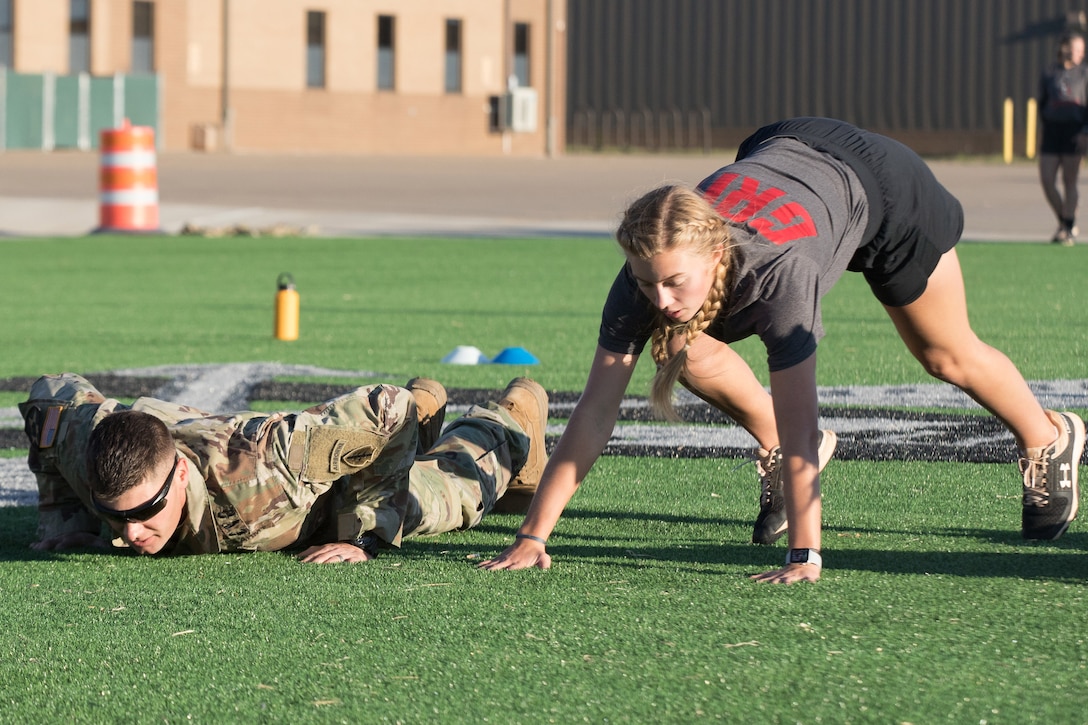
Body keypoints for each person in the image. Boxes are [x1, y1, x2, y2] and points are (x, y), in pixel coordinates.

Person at [480, 117, 1085, 583]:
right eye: (646, 281)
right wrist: (535, 536)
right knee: (681, 346)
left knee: (944, 355)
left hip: (884, 186)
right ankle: (765, 444)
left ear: (715, 256)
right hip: (787, 149)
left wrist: (806, 552)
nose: (658, 298)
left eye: (673, 283)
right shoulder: (644, 281)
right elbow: (594, 410)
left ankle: (1048, 436)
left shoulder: (782, 279)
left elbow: (802, 421)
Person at [19, 372, 548, 561]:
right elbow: (50, 397)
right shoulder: (87, 445)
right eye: (117, 516)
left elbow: (384, 406)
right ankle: (423, 414)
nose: (132, 532)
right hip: (185, 428)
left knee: (445, 499)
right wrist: (64, 518)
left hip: (322, 499)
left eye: (148, 510)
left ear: (178, 475)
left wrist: (365, 533)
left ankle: (510, 420)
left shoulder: (269, 465)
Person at [1038, 31, 1088, 246]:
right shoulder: (1050, 73)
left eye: (1082, 50)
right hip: (1052, 133)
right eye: (1076, 49)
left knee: (1070, 181)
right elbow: (1043, 103)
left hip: (1074, 133)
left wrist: (1085, 132)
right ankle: (1065, 220)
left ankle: (1067, 228)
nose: (1079, 54)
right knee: (1047, 181)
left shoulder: (1084, 73)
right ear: (1065, 48)